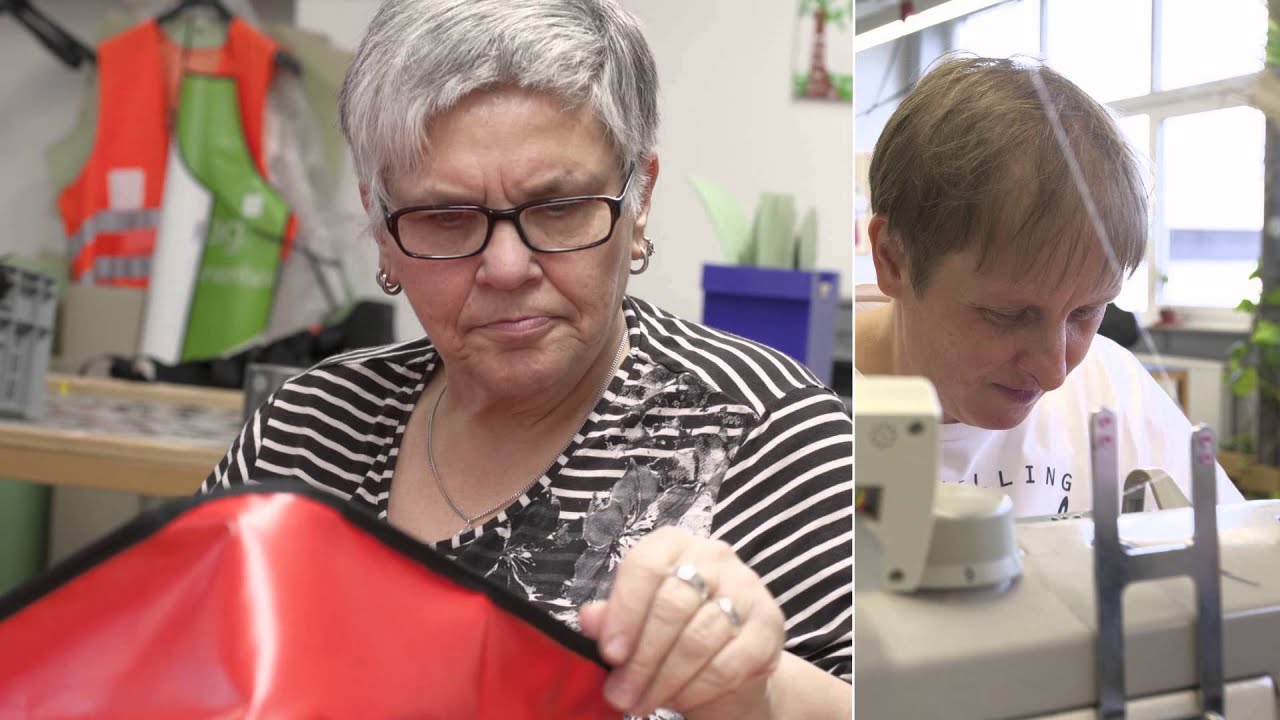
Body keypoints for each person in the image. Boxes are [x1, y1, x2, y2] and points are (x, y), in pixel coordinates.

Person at [202, 1, 852, 718]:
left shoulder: (770, 437)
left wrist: (760, 690)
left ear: (638, 203)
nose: (507, 268)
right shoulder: (305, 430)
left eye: (559, 207)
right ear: (383, 232)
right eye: (447, 218)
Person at [856, 55, 1244, 517]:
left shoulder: (1111, 387)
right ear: (892, 259)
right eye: (1009, 315)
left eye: (1086, 313)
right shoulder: (811, 422)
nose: (1055, 371)